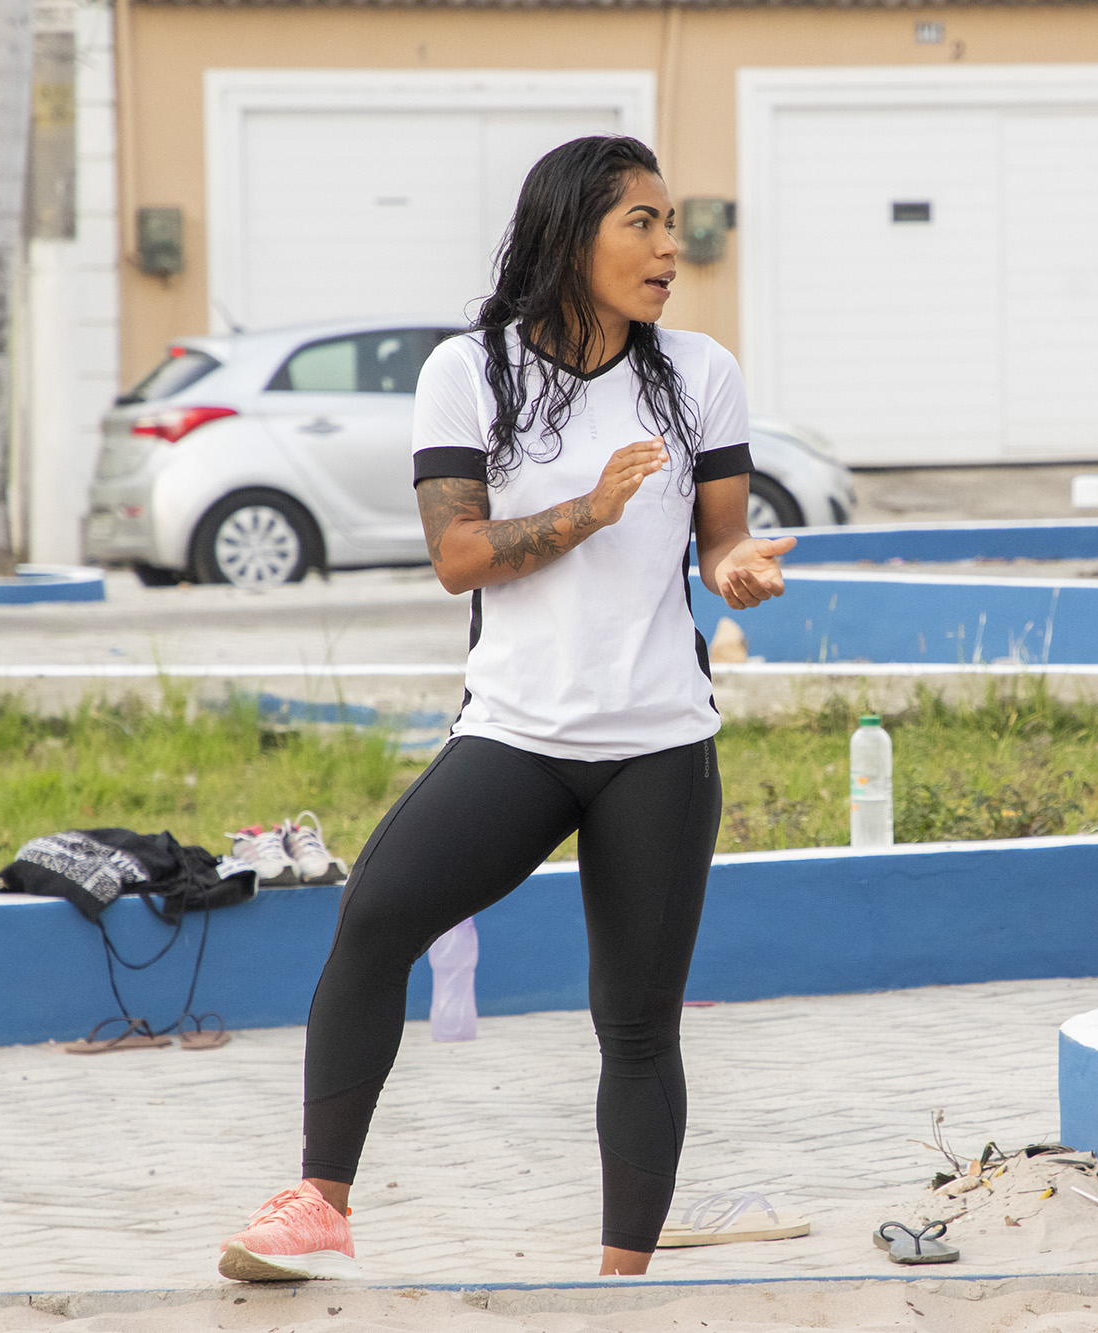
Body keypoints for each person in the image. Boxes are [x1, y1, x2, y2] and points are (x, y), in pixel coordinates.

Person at [216, 135, 795, 1283]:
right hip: (517, 734)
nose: (669, 246)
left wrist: (732, 567)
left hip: (659, 742)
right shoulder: (468, 372)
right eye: (642, 222)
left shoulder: (700, 373)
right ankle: (317, 1206)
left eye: (672, 224)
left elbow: (718, 531)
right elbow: (460, 555)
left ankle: (619, 1281)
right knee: (376, 918)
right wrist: (588, 509)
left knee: (636, 1020)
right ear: (569, 231)